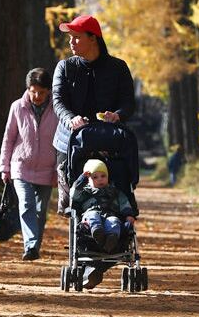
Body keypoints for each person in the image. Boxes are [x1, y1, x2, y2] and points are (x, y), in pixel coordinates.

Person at [51, 14, 136, 211]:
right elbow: (58, 101)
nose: (71, 42)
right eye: (70, 37)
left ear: (93, 39)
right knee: (71, 203)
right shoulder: (65, 67)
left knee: (117, 186)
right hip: (71, 141)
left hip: (108, 141)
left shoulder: (118, 68)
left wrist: (118, 115)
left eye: (77, 37)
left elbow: (128, 103)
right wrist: (71, 118)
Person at [0, 68, 60, 260]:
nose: (37, 96)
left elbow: (61, 143)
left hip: (47, 169)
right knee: (26, 204)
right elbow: (8, 139)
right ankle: (31, 246)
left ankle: (34, 246)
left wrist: (58, 171)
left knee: (41, 212)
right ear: (28, 89)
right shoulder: (17, 107)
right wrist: (5, 167)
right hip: (21, 166)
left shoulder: (57, 110)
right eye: (33, 91)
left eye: (42, 92)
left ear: (48, 91)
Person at [69, 159, 136, 253]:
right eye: (95, 177)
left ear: (108, 177)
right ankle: (97, 231)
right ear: (88, 180)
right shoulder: (85, 192)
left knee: (114, 221)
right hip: (90, 215)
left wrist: (129, 215)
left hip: (110, 215)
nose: (100, 179)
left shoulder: (115, 192)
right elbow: (73, 195)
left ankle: (110, 241)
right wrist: (82, 179)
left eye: (103, 176)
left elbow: (124, 203)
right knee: (93, 216)